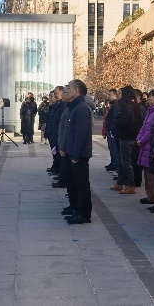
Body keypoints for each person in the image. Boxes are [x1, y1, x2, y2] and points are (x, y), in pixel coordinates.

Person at [64, 79, 94, 225]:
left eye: (69, 88)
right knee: (76, 183)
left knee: (82, 185)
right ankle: (77, 210)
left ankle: (84, 214)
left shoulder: (82, 108)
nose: (66, 90)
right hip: (74, 152)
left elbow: (81, 134)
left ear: (76, 91)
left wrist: (75, 155)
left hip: (80, 154)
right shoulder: (75, 106)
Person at [114, 86, 144, 194]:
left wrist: (117, 119)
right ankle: (120, 182)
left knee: (126, 162)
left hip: (127, 137)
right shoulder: (135, 105)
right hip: (131, 136)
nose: (119, 96)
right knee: (122, 161)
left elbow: (123, 121)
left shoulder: (127, 106)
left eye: (121, 93)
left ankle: (131, 185)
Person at [136, 90, 154, 205]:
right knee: (146, 173)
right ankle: (149, 195)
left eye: (151, 96)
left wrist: (142, 140)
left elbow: (151, 130)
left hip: (149, 144)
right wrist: (139, 138)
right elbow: (144, 127)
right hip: (145, 145)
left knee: (151, 174)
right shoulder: (150, 110)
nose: (149, 98)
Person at [104, 89, 120, 173]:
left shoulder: (116, 104)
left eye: (110, 95)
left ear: (115, 95)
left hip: (112, 130)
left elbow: (114, 118)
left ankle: (116, 166)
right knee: (111, 148)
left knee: (114, 149)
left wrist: (111, 129)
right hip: (110, 129)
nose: (108, 96)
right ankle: (113, 163)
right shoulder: (113, 104)